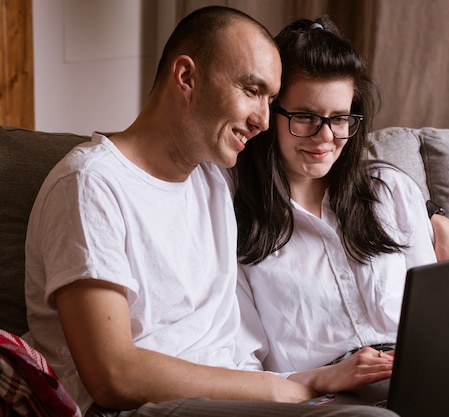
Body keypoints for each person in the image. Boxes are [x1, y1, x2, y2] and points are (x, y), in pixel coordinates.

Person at [24, 6, 399, 417]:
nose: (262, 120)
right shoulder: (90, 185)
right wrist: (286, 388)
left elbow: (327, 157)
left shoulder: (214, 176)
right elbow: (114, 377)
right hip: (141, 409)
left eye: (271, 100)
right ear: (186, 78)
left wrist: (433, 215)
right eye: (252, 91)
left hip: (239, 401)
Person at [232, 16, 449, 382]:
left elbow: (435, 323)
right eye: (305, 117)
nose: (324, 136)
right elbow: (243, 369)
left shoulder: (389, 192)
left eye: (339, 118)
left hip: (418, 379)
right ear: (270, 114)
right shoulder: (236, 222)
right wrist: (325, 379)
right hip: (320, 397)